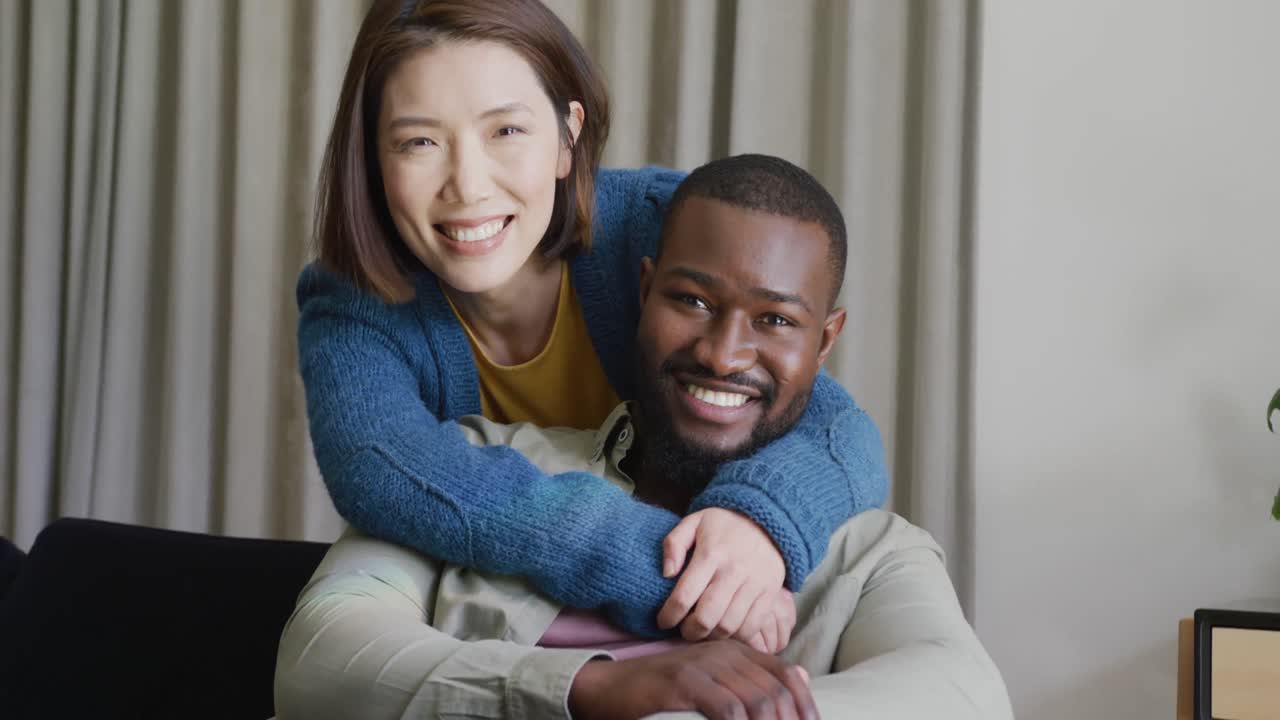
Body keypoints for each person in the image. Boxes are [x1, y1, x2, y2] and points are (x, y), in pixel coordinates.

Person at [276, 155, 1013, 720]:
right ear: (643, 292)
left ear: (826, 344)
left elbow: (964, 691)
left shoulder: (874, 552)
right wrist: (593, 689)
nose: (723, 354)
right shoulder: (477, 465)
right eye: (691, 300)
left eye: (775, 321)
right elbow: (318, 661)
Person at [298, 0, 888, 643]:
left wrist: (756, 522)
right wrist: (678, 573)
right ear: (374, 159)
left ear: (567, 137)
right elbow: (377, 468)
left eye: (507, 131)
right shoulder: (353, 298)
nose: (466, 186)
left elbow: (837, 426)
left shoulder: (659, 223)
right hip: (508, 635)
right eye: (419, 142)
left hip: (717, 623)